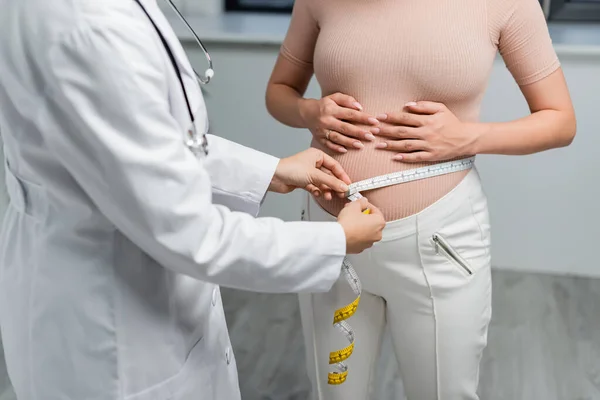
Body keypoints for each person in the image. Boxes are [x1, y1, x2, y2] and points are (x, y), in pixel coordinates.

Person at [0, 0, 388, 399]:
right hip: (110, 330)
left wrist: (270, 170)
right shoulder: (90, 29)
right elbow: (188, 231)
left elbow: (145, 147)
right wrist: (333, 242)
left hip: (108, 269)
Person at [266, 0, 576, 398]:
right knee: (332, 394)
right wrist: (310, 112)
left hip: (439, 241)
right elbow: (279, 92)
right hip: (331, 232)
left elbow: (560, 119)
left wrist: (466, 137)